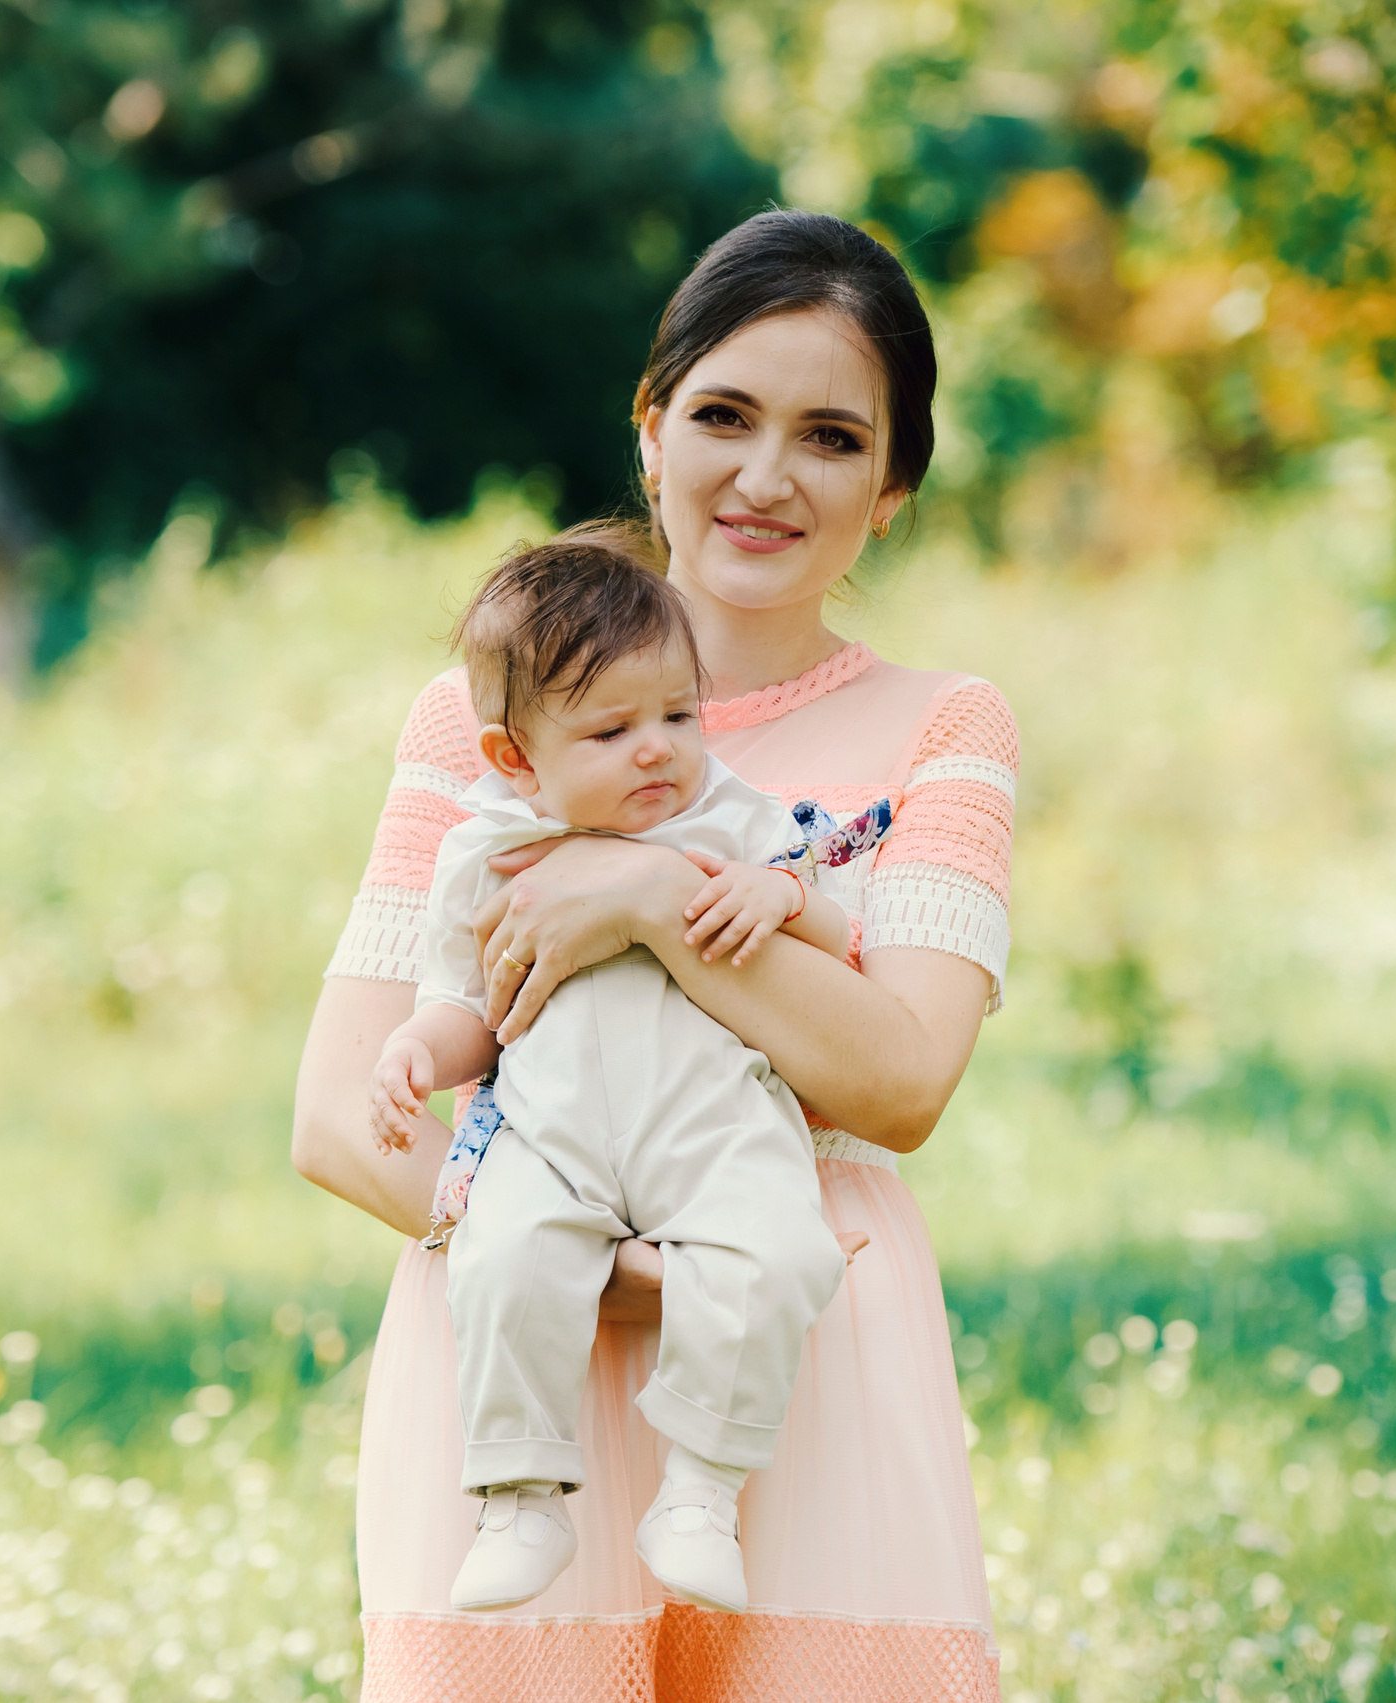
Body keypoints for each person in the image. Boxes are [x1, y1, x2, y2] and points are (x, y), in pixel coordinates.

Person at [293, 207, 1018, 1701]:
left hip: (800, 1343)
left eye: (832, 437)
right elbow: (338, 1112)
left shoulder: (945, 727)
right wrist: (580, 1268)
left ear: (892, 488)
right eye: (724, 415)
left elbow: (900, 1080)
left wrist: (636, 893)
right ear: (650, 428)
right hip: (520, 1341)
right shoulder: (479, 721)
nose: (765, 476)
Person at [366, 527, 856, 1614]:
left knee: (779, 1251)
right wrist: (414, 1050)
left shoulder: (728, 816)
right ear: (515, 759)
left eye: (678, 715)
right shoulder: (487, 854)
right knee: (499, 1254)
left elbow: (839, 935)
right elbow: (469, 1009)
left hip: (715, 1125)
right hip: (552, 1135)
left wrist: (782, 895)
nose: (657, 750)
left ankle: (702, 1491)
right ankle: (520, 1497)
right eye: (611, 729)